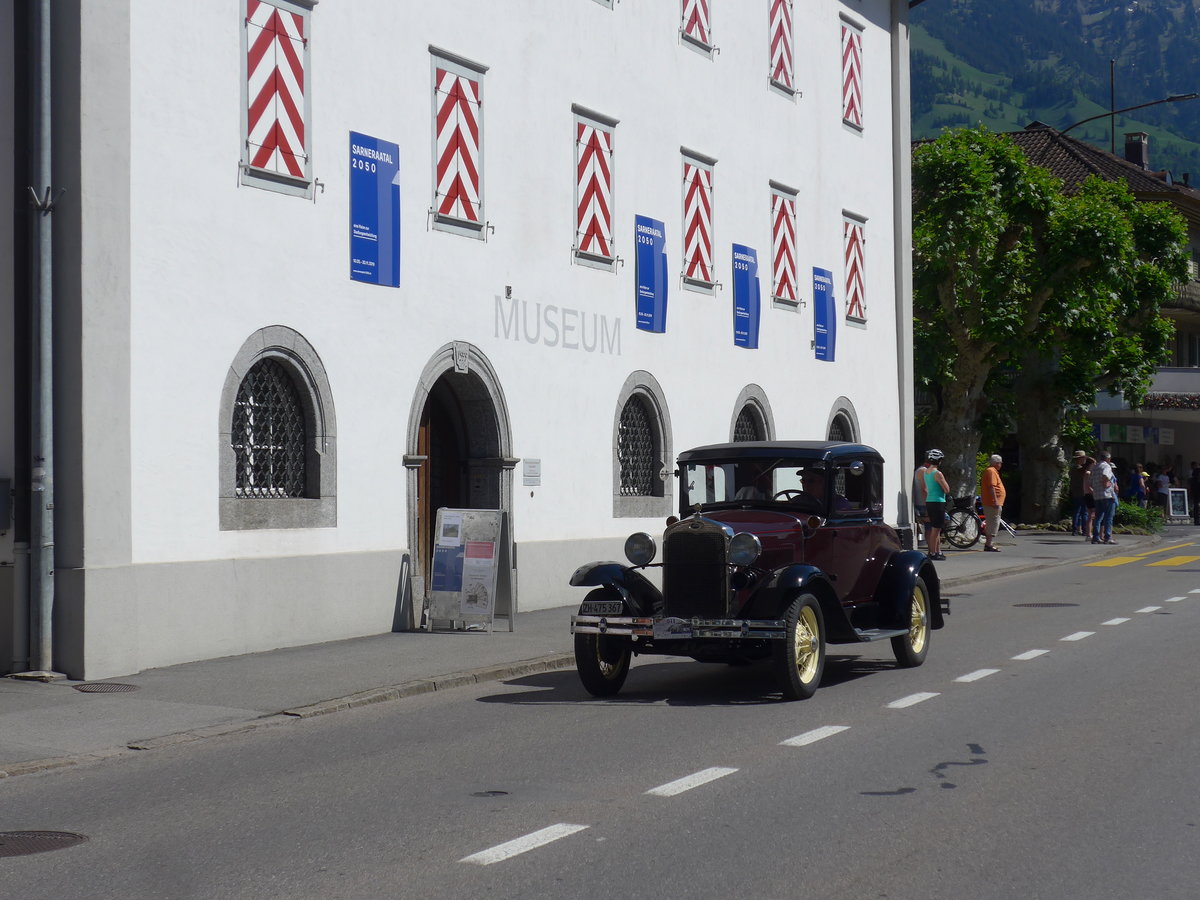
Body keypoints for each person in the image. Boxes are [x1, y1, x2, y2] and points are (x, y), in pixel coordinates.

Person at [922, 449, 951, 561]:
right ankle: (933, 552)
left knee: (936, 527)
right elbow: (947, 489)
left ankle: (937, 551)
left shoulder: (926, 472)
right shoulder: (938, 473)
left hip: (930, 501)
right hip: (938, 501)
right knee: (936, 528)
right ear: (938, 460)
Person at [980, 454, 1006, 552]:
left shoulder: (992, 471)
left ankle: (989, 543)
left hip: (993, 502)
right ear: (996, 463)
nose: (1001, 465)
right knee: (992, 522)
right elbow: (991, 487)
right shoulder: (991, 471)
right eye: (1000, 463)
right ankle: (989, 544)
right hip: (992, 503)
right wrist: (995, 500)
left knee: (993, 521)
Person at [1091, 450, 1118, 545]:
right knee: (1108, 517)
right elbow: (1105, 475)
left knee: (1098, 517)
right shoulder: (1106, 466)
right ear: (1108, 458)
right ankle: (1108, 537)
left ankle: (1095, 537)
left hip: (1097, 495)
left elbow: (1091, 481)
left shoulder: (1094, 467)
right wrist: (1106, 483)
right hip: (1107, 494)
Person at [1069, 450, 1089, 536]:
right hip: (1082, 491)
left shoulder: (1072, 468)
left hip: (1075, 491)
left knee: (1077, 511)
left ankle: (1075, 529)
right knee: (1084, 512)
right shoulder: (1080, 469)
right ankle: (1084, 529)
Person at [913, 456, 932, 546]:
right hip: (923, 503)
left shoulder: (920, 470)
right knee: (932, 527)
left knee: (930, 526)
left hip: (921, 502)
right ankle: (932, 548)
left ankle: (932, 548)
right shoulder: (923, 471)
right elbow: (925, 489)